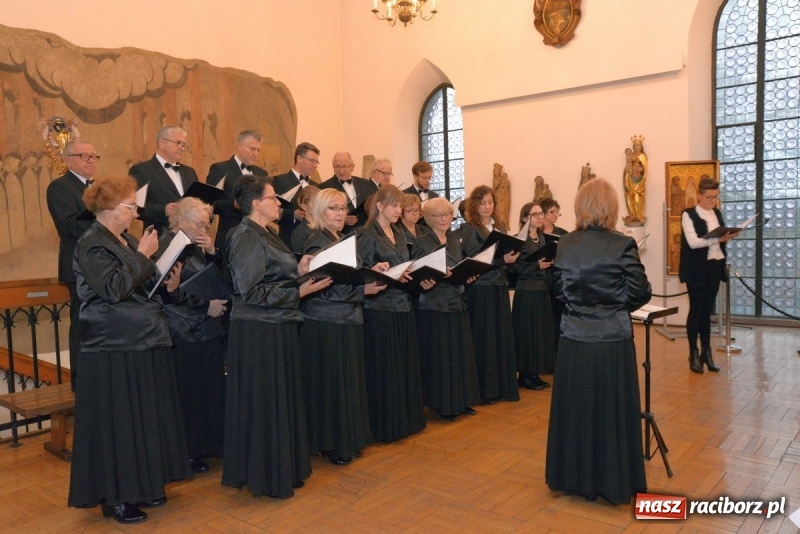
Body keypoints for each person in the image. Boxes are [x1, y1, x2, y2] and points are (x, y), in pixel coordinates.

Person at [68, 176, 191, 524]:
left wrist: (167, 280)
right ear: (107, 208)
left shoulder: (124, 239)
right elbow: (112, 288)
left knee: (143, 419)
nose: (136, 213)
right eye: (130, 207)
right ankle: (116, 496)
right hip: (112, 344)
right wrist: (142, 256)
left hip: (141, 338)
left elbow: (140, 284)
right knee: (119, 424)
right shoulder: (92, 243)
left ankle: (144, 485)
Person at [222, 174, 330, 498]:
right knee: (265, 403)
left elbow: (273, 274)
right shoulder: (243, 235)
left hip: (276, 324)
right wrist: (300, 292)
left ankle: (282, 468)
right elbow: (250, 291)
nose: (278, 203)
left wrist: (300, 268)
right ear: (256, 203)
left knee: (279, 400)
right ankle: (266, 475)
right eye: (273, 198)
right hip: (258, 329)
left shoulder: (265, 232)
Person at [546, 178, 651, 505]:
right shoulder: (622, 245)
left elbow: (560, 292)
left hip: (574, 340)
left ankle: (573, 477)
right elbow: (640, 292)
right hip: (612, 341)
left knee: (576, 409)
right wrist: (614, 308)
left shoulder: (565, 244)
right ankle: (613, 478)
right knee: (612, 409)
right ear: (611, 208)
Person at [300, 189, 385, 464]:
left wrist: (375, 271)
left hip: (348, 319)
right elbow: (323, 289)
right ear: (319, 212)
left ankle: (347, 439)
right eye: (333, 209)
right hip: (327, 322)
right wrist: (364, 292)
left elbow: (349, 278)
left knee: (349, 382)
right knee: (333, 385)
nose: (340, 214)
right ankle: (332, 443)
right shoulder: (316, 243)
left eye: (342, 208)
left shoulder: (343, 239)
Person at [159, 197, 228, 475]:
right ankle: (189, 451)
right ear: (182, 220)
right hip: (183, 330)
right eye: (200, 223)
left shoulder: (195, 243)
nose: (205, 228)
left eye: (208, 223)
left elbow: (216, 277)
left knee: (208, 390)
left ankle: (209, 445)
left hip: (204, 329)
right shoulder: (170, 246)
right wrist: (205, 306)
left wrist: (212, 251)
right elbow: (167, 292)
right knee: (189, 395)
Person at [357, 184, 431, 442]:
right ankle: (387, 426)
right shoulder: (367, 234)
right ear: (380, 206)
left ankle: (406, 421)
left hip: (403, 305)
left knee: (404, 365)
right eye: (395, 205)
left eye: (401, 206)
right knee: (386, 368)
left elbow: (404, 267)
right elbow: (362, 273)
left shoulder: (398, 233)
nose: (400, 210)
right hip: (380, 309)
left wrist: (419, 277)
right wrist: (383, 271)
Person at [411, 197, 480, 420]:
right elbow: (419, 272)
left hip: (456, 300)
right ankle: (442, 403)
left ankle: (460, 400)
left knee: (459, 354)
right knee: (441, 357)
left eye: (448, 214)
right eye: (438, 215)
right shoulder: (422, 242)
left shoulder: (453, 239)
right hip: (435, 303)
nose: (444, 219)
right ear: (429, 219)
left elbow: (458, 264)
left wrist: (466, 273)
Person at [45, 139, 98, 388]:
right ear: (67, 160)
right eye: (84, 156)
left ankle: (98, 373)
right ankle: (80, 378)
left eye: (94, 156)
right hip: (78, 263)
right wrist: (105, 219)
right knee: (82, 319)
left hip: (100, 262)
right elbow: (69, 226)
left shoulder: (98, 188)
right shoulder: (59, 187)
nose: (91, 161)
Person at [460, 185, 520, 404]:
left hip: (498, 285)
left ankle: (502, 387)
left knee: (500, 335)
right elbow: (475, 257)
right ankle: (485, 391)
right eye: (482, 203)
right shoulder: (469, 228)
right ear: (474, 205)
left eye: (490, 202)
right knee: (484, 337)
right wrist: (502, 260)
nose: (487, 206)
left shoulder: (500, 225)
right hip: (480, 287)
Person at [679, 177, 737, 373]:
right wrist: (717, 239)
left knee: (706, 312)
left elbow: (718, 241)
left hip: (714, 267)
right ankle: (693, 353)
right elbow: (693, 243)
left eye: (715, 197)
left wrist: (726, 237)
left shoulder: (717, 213)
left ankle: (707, 351)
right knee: (696, 310)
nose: (713, 201)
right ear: (699, 196)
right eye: (709, 197)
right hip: (696, 269)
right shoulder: (688, 214)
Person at [509, 202, 555, 391]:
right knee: (527, 333)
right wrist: (536, 266)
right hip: (527, 290)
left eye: (540, 214)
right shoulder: (519, 239)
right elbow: (513, 268)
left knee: (540, 332)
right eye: (534, 214)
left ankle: (535, 372)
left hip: (542, 289)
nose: (538, 217)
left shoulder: (543, 237)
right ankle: (525, 374)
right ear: (524, 218)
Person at [206, 130, 268, 254]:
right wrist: (234, 204)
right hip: (230, 232)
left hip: (257, 236)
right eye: (252, 149)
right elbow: (210, 203)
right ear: (239, 146)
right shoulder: (221, 168)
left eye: (258, 150)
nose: (256, 154)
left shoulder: (262, 174)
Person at [129, 125, 198, 235]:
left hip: (191, 238)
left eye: (184, 144)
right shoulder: (141, 170)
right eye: (178, 143)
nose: (182, 148)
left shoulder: (190, 172)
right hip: (159, 238)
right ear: (162, 143)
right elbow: (135, 207)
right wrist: (163, 210)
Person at [273, 142, 321, 247]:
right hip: (288, 239)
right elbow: (270, 211)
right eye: (312, 161)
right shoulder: (280, 181)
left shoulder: (317, 186)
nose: (315, 165)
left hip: (314, 240)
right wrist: (292, 215)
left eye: (317, 162)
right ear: (299, 158)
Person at [539, 197, 568, 351]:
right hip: (540, 280)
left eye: (557, 213)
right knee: (543, 321)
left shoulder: (563, 234)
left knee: (557, 318)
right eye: (552, 212)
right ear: (542, 213)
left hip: (557, 280)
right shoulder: (535, 234)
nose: (556, 215)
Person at [319, 152, 374, 233]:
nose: (341, 170)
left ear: (353, 167)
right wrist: (342, 218)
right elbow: (320, 214)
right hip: (340, 234)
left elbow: (371, 207)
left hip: (365, 232)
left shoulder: (365, 184)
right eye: (337, 166)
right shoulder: (324, 187)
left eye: (344, 166)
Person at [290, 185, 320, 254]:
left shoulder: (324, 226)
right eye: (316, 202)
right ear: (304, 207)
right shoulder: (300, 232)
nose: (320, 205)